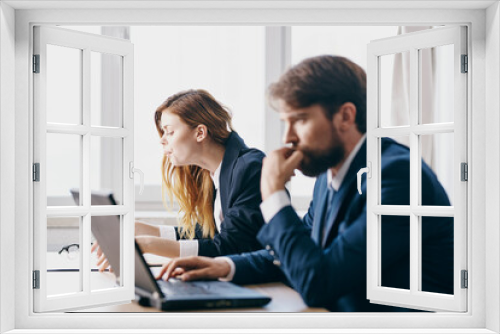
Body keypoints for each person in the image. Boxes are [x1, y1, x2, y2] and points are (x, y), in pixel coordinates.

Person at [155, 56, 454, 312]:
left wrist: (272, 193)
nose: (288, 137)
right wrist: (227, 267)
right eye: (286, 122)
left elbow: (319, 281)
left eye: (300, 120)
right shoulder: (330, 176)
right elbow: (298, 252)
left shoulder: (398, 177)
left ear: (345, 116)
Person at [94, 89, 266, 270]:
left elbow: (232, 247)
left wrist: (148, 245)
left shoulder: (249, 168)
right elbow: (209, 233)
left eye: (169, 132)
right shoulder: (217, 172)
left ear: (200, 133)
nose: (162, 140)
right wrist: (142, 229)